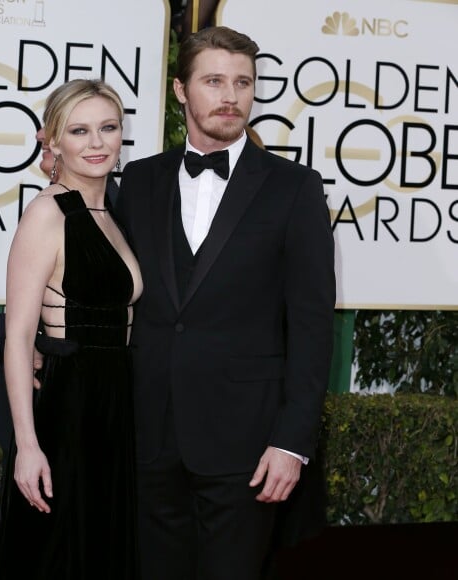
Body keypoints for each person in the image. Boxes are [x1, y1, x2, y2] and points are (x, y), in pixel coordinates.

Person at [115, 26, 335, 580]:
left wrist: (292, 442)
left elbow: (312, 327)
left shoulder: (295, 188)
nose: (231, 96)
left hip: (247, 445)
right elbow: (101, 297)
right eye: (214, 81)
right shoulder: (139, 181)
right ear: (179, 91)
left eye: (243, 82)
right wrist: (0, 332)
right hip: (148, 438)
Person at [0, 78, 143, 579]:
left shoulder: (114, 212)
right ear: (53, 141)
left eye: (107, 128)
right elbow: (19, 338)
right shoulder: (47, 214)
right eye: (79, 131)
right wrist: (27, 446)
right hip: (67, 411)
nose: (96, 143)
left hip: (115, 410)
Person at [0, 128, 120, 461]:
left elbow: (97, 327)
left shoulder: (114, 211)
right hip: (44, 420)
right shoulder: (55, 204)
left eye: (56, 126)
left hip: (75, 419)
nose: (39, 135)